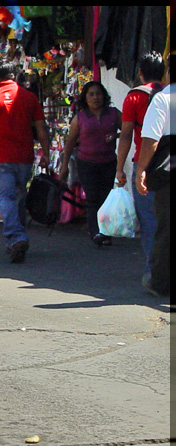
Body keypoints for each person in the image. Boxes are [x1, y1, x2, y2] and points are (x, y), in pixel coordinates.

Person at [0, 60, 51, 264]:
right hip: (24, 156)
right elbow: (41, 127)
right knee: (19, 197)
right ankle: (14, 241)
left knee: (5, 198)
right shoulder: (28, 97)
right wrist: (45, 153)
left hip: (1, 157)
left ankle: (16, 237)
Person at [115, 52, 165, 279]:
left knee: (149, 221)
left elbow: (126, 135)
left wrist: (119, 168)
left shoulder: (134, 97)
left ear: (140, 72)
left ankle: (155, 272)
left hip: (145, 166)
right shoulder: (169, 94)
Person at [57, 81, 121, 246]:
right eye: (91, 94)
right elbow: (70, 143)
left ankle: (106, 231)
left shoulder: (114, 114)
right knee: (92, 197)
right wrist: (64, 167)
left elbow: (128, 130)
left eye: (98, 94)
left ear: (104, 96)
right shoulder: (80, 118)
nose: (95, 97)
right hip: (86, 163)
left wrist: (116, 136)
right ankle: (96, 232)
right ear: (85, 98)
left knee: (106, 197)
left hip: (108, 161)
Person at [135, 53, 171, 297]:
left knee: (166, 229)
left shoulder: (163, 99)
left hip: (169, 174)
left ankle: (159, 281)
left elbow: (151, 141)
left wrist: (141, 169)